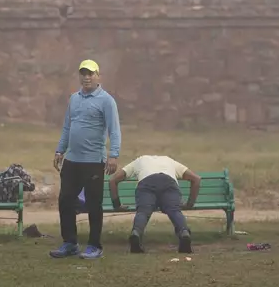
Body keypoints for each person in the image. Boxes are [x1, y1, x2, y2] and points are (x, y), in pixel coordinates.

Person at [50, 59, 122, 260]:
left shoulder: (106, 100)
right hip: (72, 160)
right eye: (83, 73)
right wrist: (60, 150)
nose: (86, 77)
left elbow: (114, 130)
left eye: (90, 73)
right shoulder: (74, 98)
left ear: (98, 76)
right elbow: (67, 127)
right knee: (65, 201)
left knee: (93, 204)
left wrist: (113, 155)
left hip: (93, 161)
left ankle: (94, 245)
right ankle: (70, 243)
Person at [108, 155, 201, 254]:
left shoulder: (140, 160)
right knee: (174, 211)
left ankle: (136, 233)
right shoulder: (169, 160)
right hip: (168, 183)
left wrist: (116, 205)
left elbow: (113, 180)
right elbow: (196, 179)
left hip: (146, 183)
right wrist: (189, 204)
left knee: (143, 212)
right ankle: (184, 233)